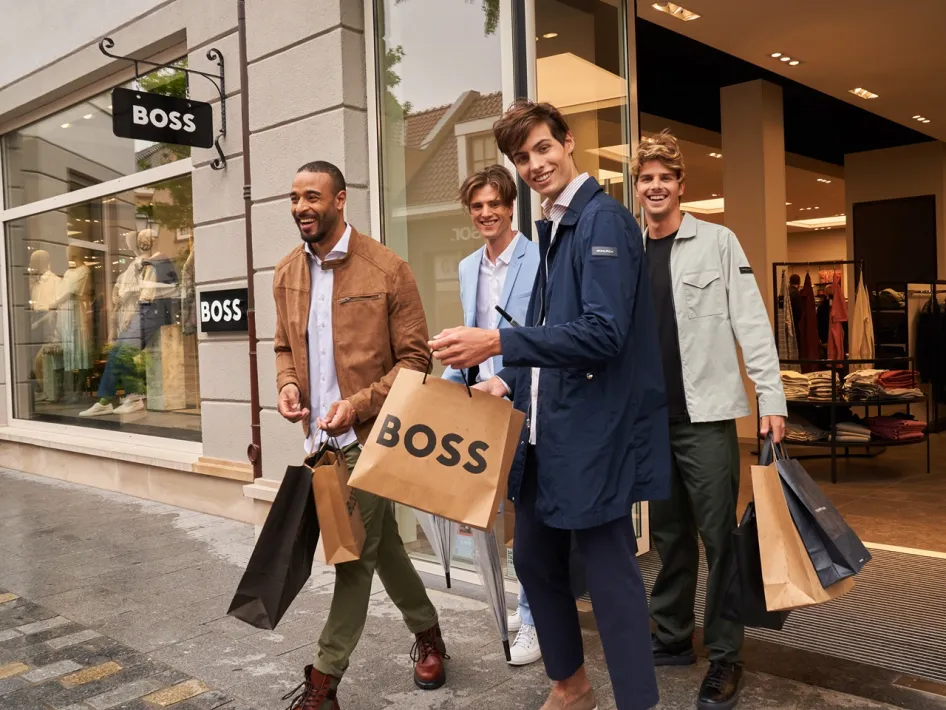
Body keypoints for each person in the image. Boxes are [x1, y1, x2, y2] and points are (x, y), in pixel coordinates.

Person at [429, 99, 670, 710]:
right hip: (542, 430)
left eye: (542, 148)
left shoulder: (604, 222)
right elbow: (549, 328)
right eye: (521, 156)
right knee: (534, 559)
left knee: (612, 577)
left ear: (567, 143)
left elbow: (604, 333)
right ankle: (571, 683)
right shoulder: (556, 226)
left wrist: (497, 341)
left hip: (592, 435)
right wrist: (503, 378)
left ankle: (638, 701)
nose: (534, 164)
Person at [274, 161, 449, 710]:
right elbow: (284, 346)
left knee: (352, 559)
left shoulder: (387, 270)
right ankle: (429, 632)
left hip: (373, 440)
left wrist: (357, 405)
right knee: (382, 546)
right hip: (319, 445)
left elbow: (417, 361)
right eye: (295, 197)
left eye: (313, 196)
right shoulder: (286, 272)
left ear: (341, 199)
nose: (303, 206)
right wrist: (288, 386)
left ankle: (324, 683)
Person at [631, 130, 787, 710]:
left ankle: (725, 655)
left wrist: (772, 400)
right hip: (650, 420)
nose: (654, 187)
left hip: (707, 418)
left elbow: (751, 323)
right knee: (670, 537)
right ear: (638, 186)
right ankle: (671, 636)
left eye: (664, 178)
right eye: (645, 178)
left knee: (719, 537)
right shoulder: (629, 249)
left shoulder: (717, 242)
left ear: (680, 186)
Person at [441, 163, 542, 666]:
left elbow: (547, 334)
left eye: (494, 204)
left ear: (510, 206)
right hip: (483, 406)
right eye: (477, 206)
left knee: (528, 514)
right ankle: (519, 604)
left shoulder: (539, 257)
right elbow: (474, 337)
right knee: (492, 509)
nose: (486, 213)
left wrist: (508, 380)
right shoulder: (466, 268)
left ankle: (535, 616)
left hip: (530, 401)